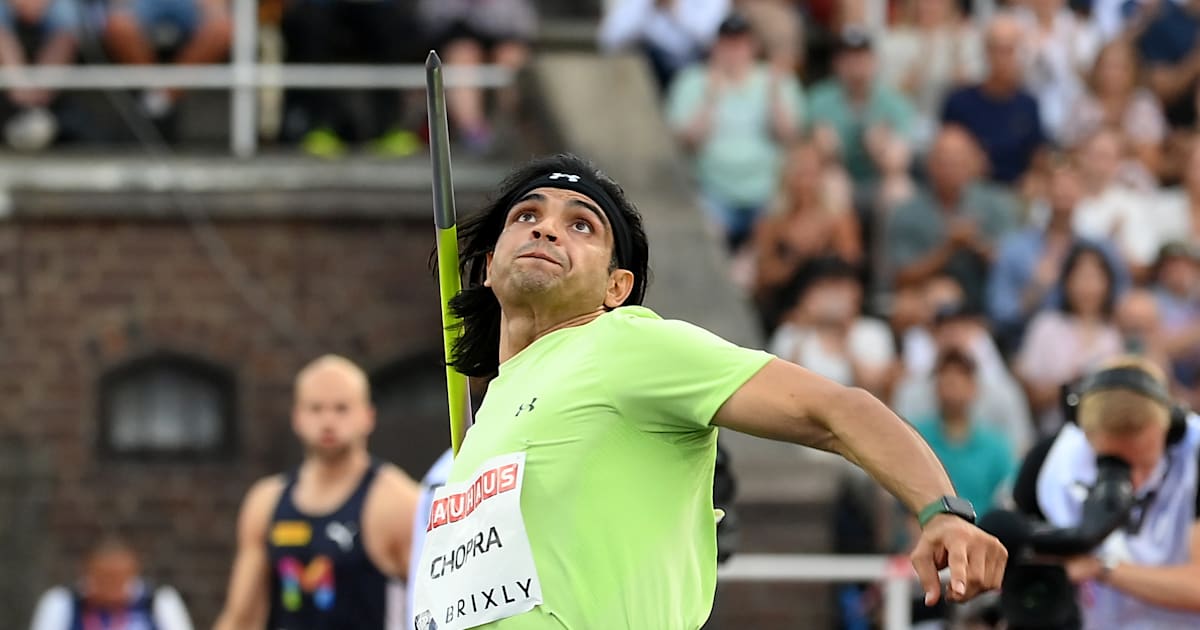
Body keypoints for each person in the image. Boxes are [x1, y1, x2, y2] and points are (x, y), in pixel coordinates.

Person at [406, 152, 1006, 630]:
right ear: (486, 267)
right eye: (526, 216)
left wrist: (941, 511)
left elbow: (835, 410)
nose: (546, 230)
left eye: (581, 225)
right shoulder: (484, 421)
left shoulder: (627, 345)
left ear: (617, 287)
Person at [214, 355, 419, 630]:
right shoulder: (266, 502)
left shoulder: (398, 502)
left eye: (341, 408)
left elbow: (434, 608)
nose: (328, 420)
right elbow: (242, 617)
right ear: (297, 417)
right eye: (316, 408)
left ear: (368, 417)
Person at [1010, 356, 1200, 628]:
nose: (1131, 481)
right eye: (1113, 463)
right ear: (1085, 433)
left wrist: (1102, 567)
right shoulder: (1052, 464)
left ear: (1170, 429)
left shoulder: (1195, 454)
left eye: (1143, 462)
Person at [29, 538, 193, 630]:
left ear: (134, 573)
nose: (111, 585)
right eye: (105, 578)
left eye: (119, 578)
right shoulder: (62, 601)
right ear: (88, 573)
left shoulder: (159, 601)